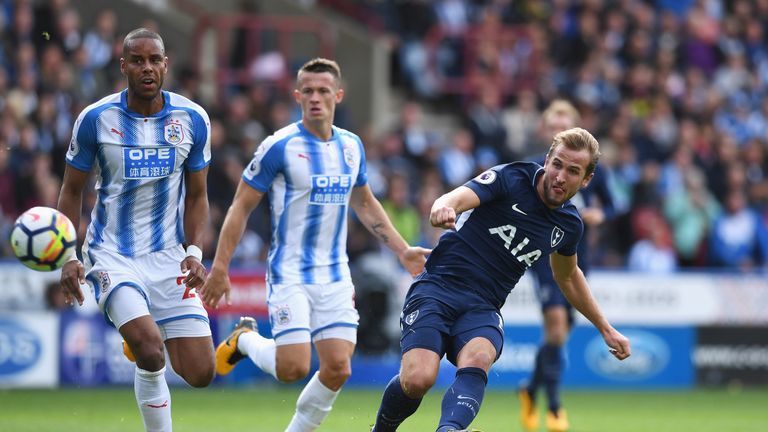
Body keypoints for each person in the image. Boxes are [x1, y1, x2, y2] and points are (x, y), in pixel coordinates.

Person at [198, 58, 430, 432]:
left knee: (338, 367)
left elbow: (365, 202)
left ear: (338, 95)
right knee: (293, 368)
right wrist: (221, 267)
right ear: (297, 96)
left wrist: (402, 249)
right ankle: (245, 339)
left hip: (335, 275)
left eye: (324, 91)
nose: (316, 98)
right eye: (308, 91)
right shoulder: (279, 146)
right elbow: (240, 206)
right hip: (289, 272)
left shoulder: (352, 146)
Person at [371, 127, 631, 432]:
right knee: (418, 379)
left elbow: (569, 276)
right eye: (557, 164)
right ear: (547, 159)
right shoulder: (512, 178)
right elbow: (457, 197)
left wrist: (605, 328)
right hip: (438, 288)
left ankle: (450, 430)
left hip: (483, 306)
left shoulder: (568, 225)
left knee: (480, 355)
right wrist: (443, 207)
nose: (560, 176)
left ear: (586, 180)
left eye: (572, 171)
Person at [57, 28, 214, 432]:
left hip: (167, 256)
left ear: (166, 64)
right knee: (149, 348)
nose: (147, 68)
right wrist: (70, 255)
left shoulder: (192, 119)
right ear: (123, 65)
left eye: (154, 60)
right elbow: (71, 191)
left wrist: (194, 253)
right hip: (112, 252)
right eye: (138, 60)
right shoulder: (95, 119)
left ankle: (144, 338)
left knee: (200, 373)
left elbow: (198, 197)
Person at [521, 100, 616, 432]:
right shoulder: (534, 167)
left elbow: (614, 205)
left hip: (576, 255)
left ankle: (530, 389)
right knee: (557, 326)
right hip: (543, 256)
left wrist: (599, 215)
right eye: (553, 127)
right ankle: (556, 408)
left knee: (558, 335)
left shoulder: (591, 170)